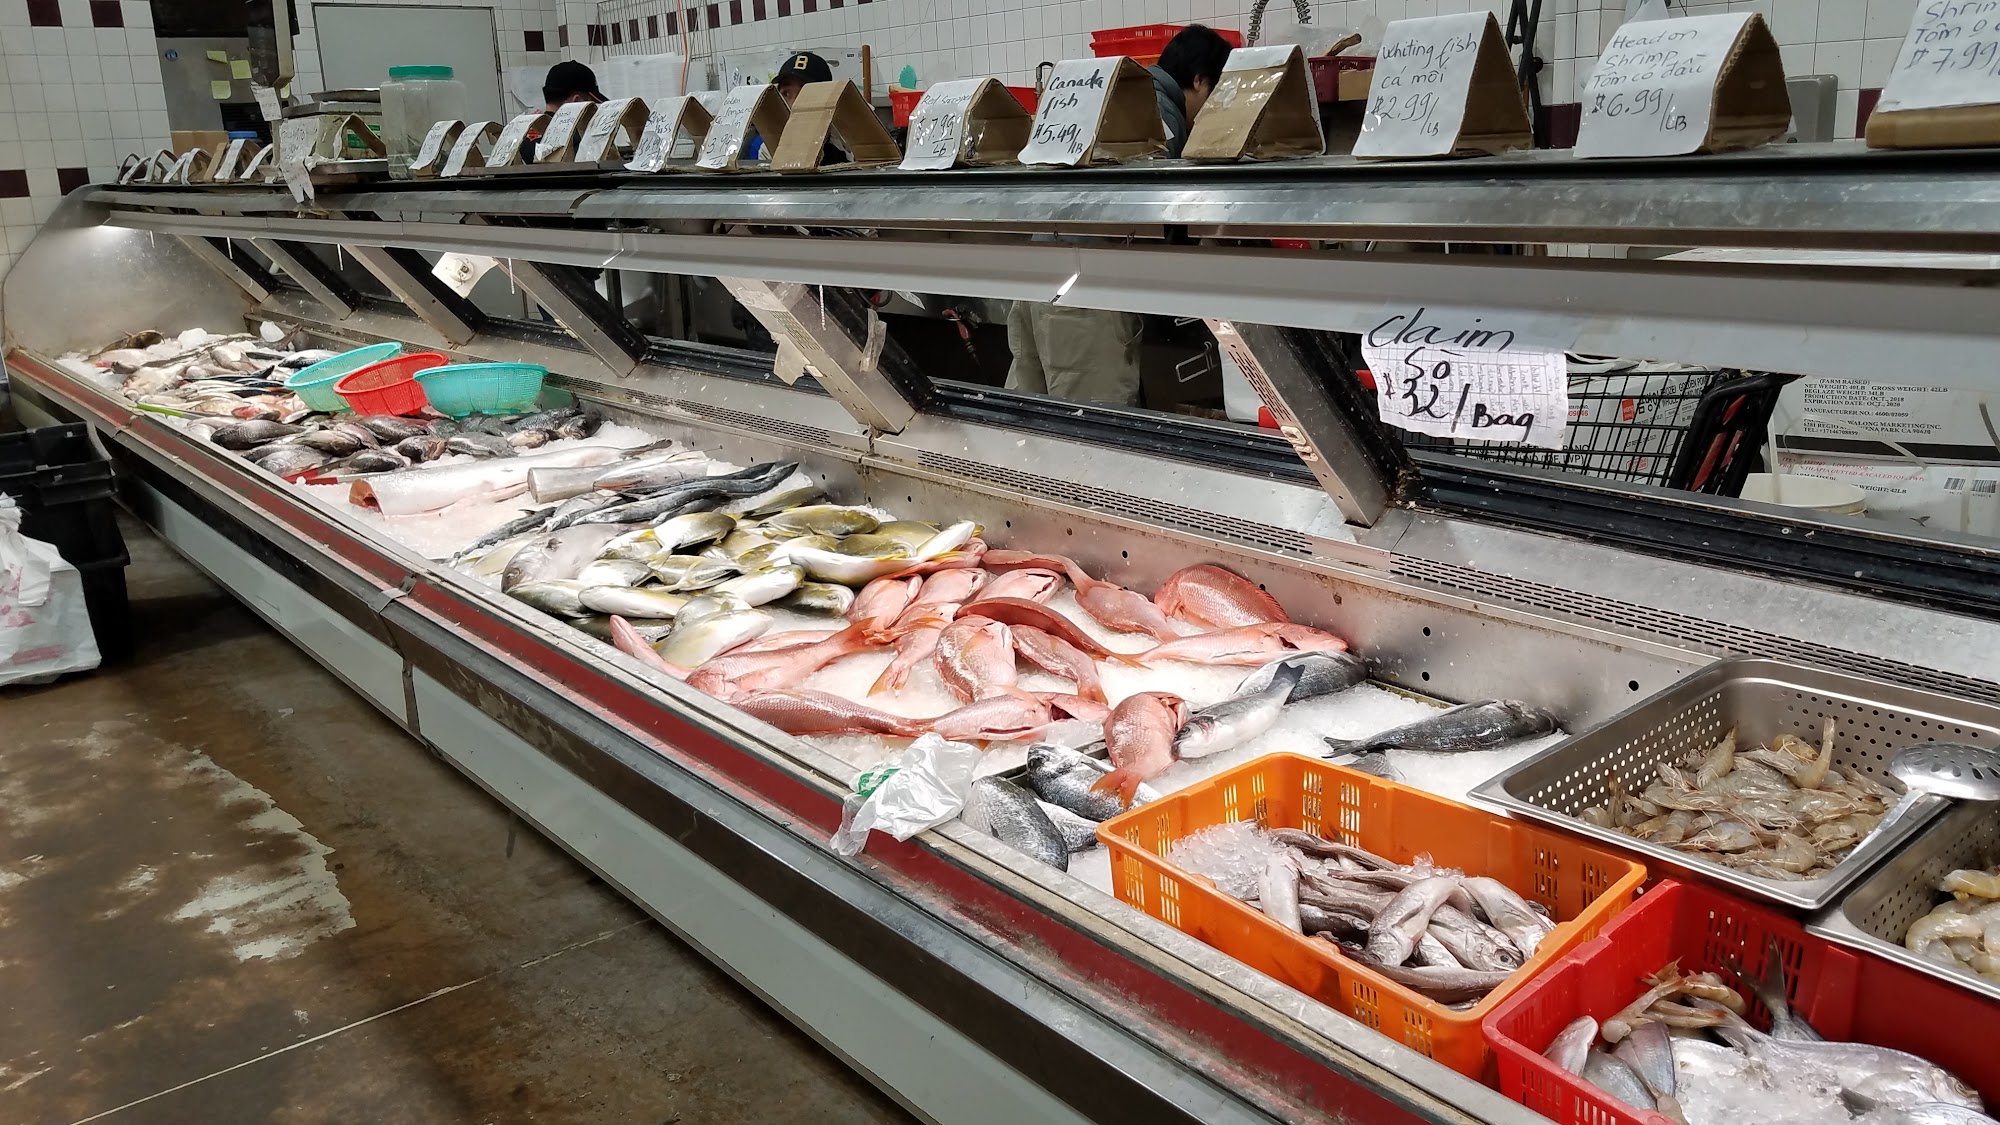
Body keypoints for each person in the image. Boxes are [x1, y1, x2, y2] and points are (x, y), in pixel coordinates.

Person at [1005, 26, 1234, 406]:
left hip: (1036, 278)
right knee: (1091, 423)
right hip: (1085, 294)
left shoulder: (1118, 98)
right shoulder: (1159, 114)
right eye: (1214, 95)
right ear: (1199, 79)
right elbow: (1150, 206)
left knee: (1028, 417)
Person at [745, 51, 844, 165]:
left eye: (805, 94)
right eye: (786, 94)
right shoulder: (768, 148)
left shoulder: (846, 141)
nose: (793, 105)